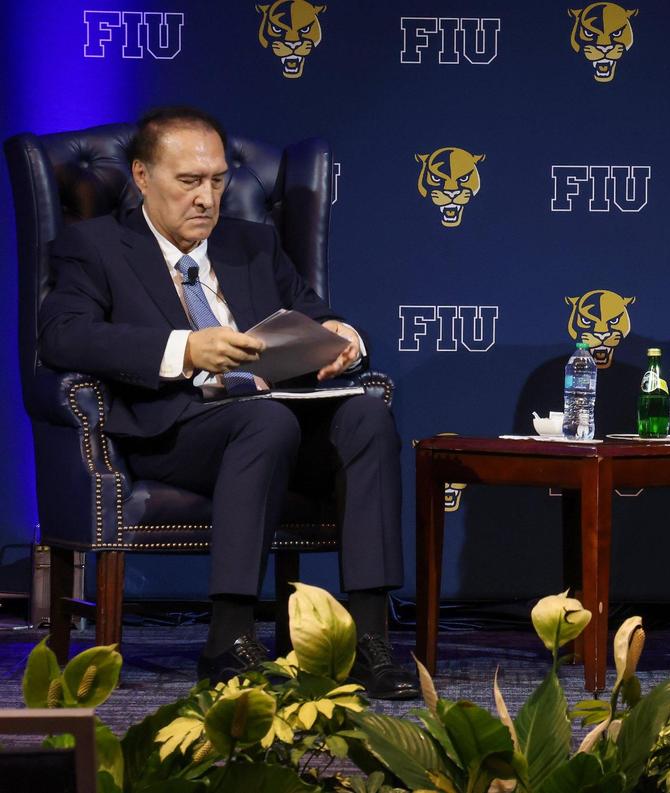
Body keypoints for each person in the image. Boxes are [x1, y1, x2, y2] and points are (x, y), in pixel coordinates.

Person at [37, 106, 418, 700]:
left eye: (217, 181)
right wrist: (186, 348)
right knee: (265, 422)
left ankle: (370, 641)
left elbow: (312, 313)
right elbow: (64, 334)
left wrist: (344, 336)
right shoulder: (95, 246)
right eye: (189, 182)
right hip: (178, 430)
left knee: (367, 413)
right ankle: (229, 639)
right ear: (141, 176)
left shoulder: (252, 243)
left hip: (278, 418)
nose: (206, 198)